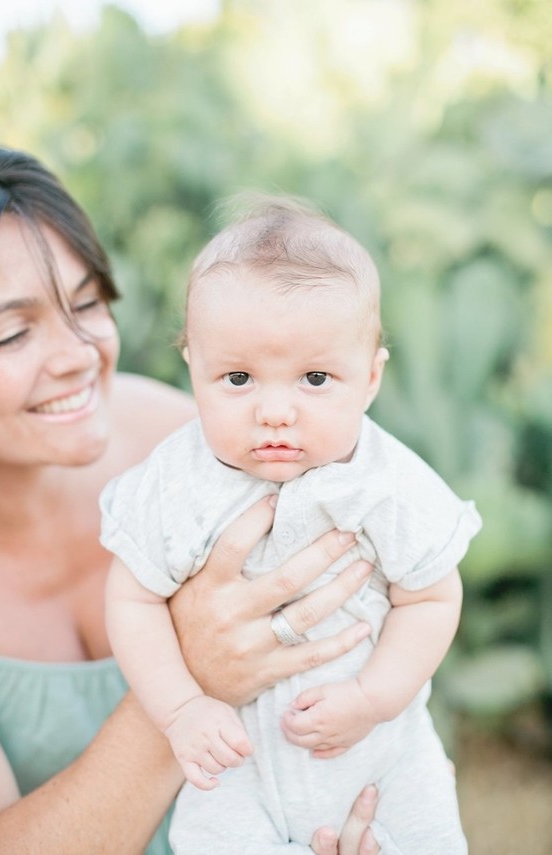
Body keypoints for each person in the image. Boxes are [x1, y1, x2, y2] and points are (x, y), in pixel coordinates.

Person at [0, 146, 383, 854]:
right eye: (12, 333)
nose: (79, 354)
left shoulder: (183, 440)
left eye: (86, 304)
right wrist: (193, 678)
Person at [101, 196, 482, 853]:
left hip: (379, 751)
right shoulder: (176, 480)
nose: (275, 410)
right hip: (236, 760)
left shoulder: (387, 480)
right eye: (239, 377)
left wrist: (372, 695)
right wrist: (182, 708)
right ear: (193, 367)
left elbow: (432, 594)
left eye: (314, 377)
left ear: (369, 378)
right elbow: (132, 597)